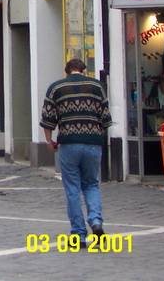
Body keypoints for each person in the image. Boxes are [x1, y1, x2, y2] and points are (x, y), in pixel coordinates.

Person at [41, 58, 112, 244]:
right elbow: (106, 118)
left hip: (69, 143)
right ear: (84, 70)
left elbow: (47, 118)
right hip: (92, 143)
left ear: (66, 71)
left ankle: (78, 233)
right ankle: (96, 220)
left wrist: (49, 141)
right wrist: (97, 134)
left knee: (72, 188)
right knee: (92, 184)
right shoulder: (97, 87)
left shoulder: (56, 88)